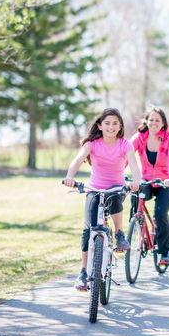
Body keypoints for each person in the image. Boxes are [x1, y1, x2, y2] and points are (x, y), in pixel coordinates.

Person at [63, 108, 141, 290]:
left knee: (115, 198)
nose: (111, 127)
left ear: (120, 126)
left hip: (117, 187)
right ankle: (83, 272)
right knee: (88, 228)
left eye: (115, 123)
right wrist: (69, 175)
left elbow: (134, 166)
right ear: (100, 125)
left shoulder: (125, 144)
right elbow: (77, 160)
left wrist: (135, 181)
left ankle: (120, 233)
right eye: (107, 123)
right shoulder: (92, 144)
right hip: (95, 188)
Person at [130, 106, 169, 266]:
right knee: (135, 192)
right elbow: (126, 156)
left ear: (163, 123)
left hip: (166, 182)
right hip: (147, 180)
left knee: (160, 214)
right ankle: (137, 226)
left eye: (157, 120)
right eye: (151, 119)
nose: (154, 123)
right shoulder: (139, 138)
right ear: (146, 121)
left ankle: (164, 252)